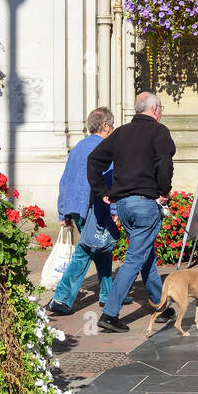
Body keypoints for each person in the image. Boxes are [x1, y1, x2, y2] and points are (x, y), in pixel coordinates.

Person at [87, 92, 177, 333]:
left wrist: (101, 190)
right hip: (144, 203)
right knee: (136, 257)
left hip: (124, 205)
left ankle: (162, 306)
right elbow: (165, 164)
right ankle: (110, 313)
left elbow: (94, 160)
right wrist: (163, 191)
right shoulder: (159, 132)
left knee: (145, 253)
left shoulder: (121, 132)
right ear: (155, 109)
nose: (161, 112)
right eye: (161, 108)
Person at [46, 107, 131, 315]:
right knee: (87, 250)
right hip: (94, 206)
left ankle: (108, 294)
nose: (113, 129)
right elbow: (109, 181)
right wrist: (113, 208)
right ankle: (62, 298)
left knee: (101, 248)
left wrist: (62, 211)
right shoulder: (106, 148)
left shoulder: (77, 148)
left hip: (76, 206)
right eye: (112, 125)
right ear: (104, 126)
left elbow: (65, 180)